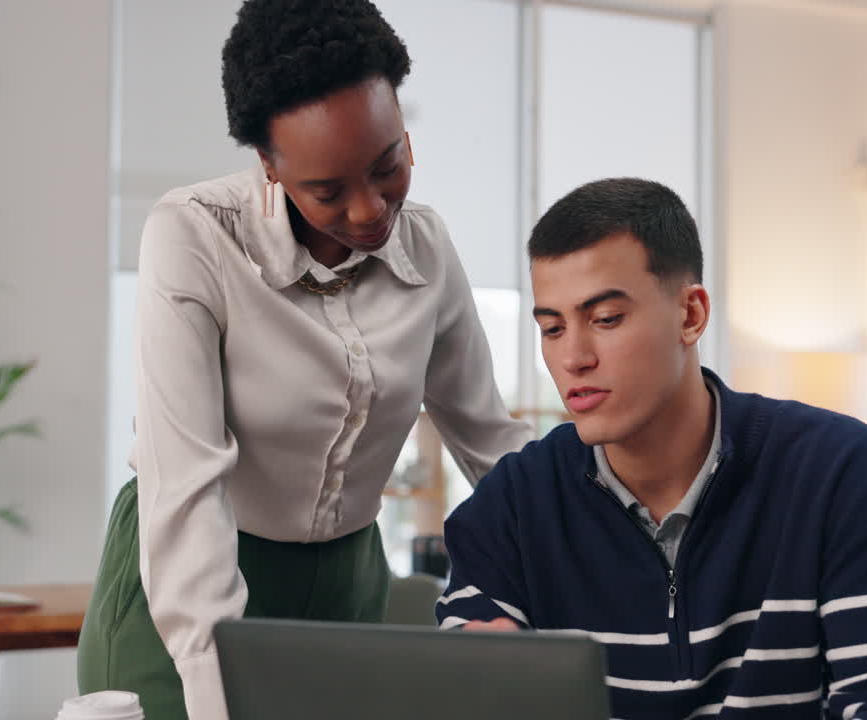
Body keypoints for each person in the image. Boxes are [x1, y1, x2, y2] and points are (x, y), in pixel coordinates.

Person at [76, 2, 533, 719]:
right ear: (268, 165)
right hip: (188, 582)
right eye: (328, 190)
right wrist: (213, 685)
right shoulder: (193, 238)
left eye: (390, 165)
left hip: (349, 585)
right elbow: (186, 483)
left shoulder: (427, 247)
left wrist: (604, 530)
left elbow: (490, 439)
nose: (370, 210)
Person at [436, 178, 867, 720]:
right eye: (552, 327)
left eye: (606, 319)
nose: (573, 357)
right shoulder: (515, 500)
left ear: (691, 315)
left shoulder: (837, 470)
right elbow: (466, 678)